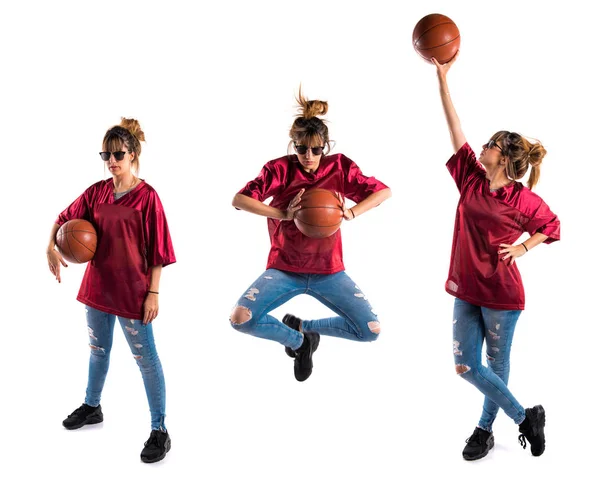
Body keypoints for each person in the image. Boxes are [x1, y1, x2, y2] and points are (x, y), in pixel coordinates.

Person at [432, 53, 560, 460]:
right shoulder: (470, 176)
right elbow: (455, 128)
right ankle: (526, 417)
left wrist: (522, 246)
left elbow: (552, 226)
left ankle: (483, 430)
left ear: (503, 158)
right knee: (466, 366)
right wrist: (443, 80)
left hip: (503, 296)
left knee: (495, 365)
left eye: (490, 145)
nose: (482, 147)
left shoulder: (522, 199)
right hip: (466, 289)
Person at [230, 89, 391, 382]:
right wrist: (282, 215)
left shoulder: (339, 167)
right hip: (284, 268)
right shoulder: (279, 169)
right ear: (294, 145)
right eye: (302, 149)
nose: (308, 156)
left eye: (316, 150)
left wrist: (351, 212)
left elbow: (383, 191)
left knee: (370, 330)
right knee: (240, 319)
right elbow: (239, 200)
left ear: (325, 147)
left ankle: (306, 328)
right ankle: (298, 342)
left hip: (329, 271)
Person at [46, 118, 176, 463]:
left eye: (118, 154)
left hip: (133, 294)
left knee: (146, 361)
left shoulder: (148, 198)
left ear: (133, 154)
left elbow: (159, 250)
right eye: (106, 154)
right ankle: (92, 406)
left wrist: (154, 293)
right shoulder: (97, 191)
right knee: (97, 351)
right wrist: (50, 246)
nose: (112, 160)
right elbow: (64, 218)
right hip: (97, 290)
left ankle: (159, 430)